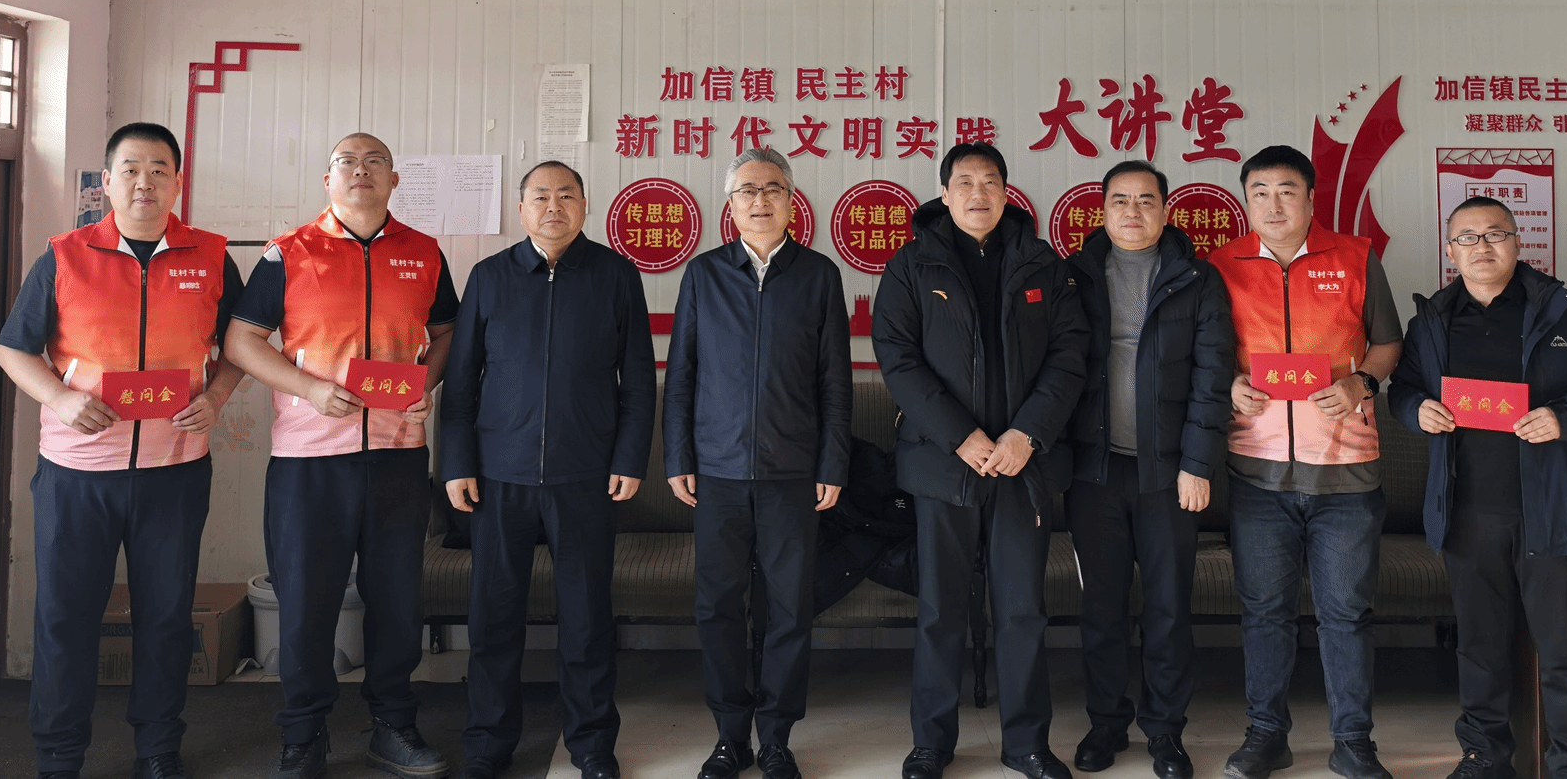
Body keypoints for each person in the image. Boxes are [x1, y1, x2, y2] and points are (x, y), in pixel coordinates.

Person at [0, 123, 244, 779]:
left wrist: (217, 398)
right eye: (130, 169)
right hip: (78, 474)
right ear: (106, 182)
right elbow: (12, 349)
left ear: (178, 182)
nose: (144, 182)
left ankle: (158, 749)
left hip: (175, 470)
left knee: (165, 617)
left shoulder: (212, 257)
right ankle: (59, 757)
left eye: (159, 169)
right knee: (66, 618)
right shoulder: (64, 256)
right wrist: (60, 398)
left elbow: (242, 346)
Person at [226, 133, 457, 779]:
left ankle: (394, 724)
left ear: (394, 180)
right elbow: (242, 341)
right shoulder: (289, 252)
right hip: (308, 461)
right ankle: (303, 736)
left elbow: (447, 333)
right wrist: (308, 388)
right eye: (346, 162)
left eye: (374, 161)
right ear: (327, 180)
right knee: (306, 603)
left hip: (398, 455)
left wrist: (427, 386)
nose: (360, 170)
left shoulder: (424, 252)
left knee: (397, 601)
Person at [1389, 197, 1567, 779]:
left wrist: (1563, 417)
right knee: (1479, 647)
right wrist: (1416, 410)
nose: (1481, 246)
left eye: (1494, 234)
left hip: (1552, 510)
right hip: (1467, 509)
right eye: (1467, 237)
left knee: (1564, 650)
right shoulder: (1431, 321)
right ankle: (1485, 757)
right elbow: (1402, 388)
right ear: (1450, 251)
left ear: (1517, 242)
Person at [872, 143, 1089, 779]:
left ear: (1007, 191)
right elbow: (898, 358)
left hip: (1025, 466)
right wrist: (959, 436)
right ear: (944, 194)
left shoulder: (1043, 264)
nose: (977, 193)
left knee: (1022, 609)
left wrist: (1028, 435)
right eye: (964, 182)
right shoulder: (911, 265)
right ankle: (932, 743)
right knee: (941, 609)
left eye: (990, 181)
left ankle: (1026, 743)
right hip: (946, 466)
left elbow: (1069, 357)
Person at [440, 161, 655, 779]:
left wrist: (629, 458)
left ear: (585, 206)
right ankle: (487, 744)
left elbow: (640, 381)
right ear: (522, 208)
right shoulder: (490, 276)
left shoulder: (616, 274)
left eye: (566, 196)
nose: (553, 207)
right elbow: (461, 384)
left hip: (586, 475)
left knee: (586, 618)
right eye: (541, 196)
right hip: (498, 476)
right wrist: (456, 463)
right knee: (493, 617)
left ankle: (592, 744)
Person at [1205, 146, 1402, 779]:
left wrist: (1362, 384)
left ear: (1311, 198)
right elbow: (1207, 351)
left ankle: (1354, 741)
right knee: (1265, 612)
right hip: (1256, 471)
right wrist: (1229, 385)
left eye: (1286, 191)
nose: (1273, 204)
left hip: (1346, 470)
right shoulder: (1221, 265)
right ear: (1245, 201)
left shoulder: (1356, 257)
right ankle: (1266, 735)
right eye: (1259, 192)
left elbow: (1388, 341)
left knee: (1346, 614)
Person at [664, 147, 853, 779]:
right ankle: (729, 736)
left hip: (792, 472)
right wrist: (679, 455)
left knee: (790, 608)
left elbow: (835, 382)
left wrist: (832, 463)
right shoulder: (704, 274)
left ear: (792, 201)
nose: (760, 200)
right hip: (716, 472)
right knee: (717, 605)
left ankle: (775, 738)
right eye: (747, 190)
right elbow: (681, 374)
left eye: (773, 189)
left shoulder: (819, 276)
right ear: (730, 204)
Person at [1063, 160, 1233, 779]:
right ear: (1102, 210)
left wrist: (1197, 463)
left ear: (1166, 210)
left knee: (1167, 609)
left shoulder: (1197, 279)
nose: (1132, 212)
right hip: (1093, 472)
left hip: (1170, 473)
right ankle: (1107, 724)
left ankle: (1165, 731)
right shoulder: (1073, 275)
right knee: (1101, 608)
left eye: (1145, 201)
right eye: (1120, 201)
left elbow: (1213, 377)